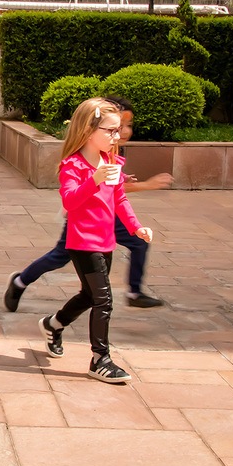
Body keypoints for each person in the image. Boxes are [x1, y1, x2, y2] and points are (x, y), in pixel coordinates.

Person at [4, 96, 171, 311]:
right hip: (84, 218)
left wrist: (122, 178)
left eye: (127, 126)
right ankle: (20, 282)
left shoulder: (111, 146)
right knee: (59, 257)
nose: (123, 132)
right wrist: (147, 185)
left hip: (108, 216)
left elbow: (114, 189)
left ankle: (134, 292)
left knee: (139, 242)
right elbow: (92, 183)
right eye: (118, 127)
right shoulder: (85, 153)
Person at [37, 97, 153, 383]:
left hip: (105, 241)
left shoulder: (111, 161)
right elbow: (70, 201)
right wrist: (95, 179)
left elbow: (120, 199)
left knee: (89, 296)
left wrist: (137, 227)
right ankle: (100, 359)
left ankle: (54, 324)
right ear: (89, 131)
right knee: (104, 300)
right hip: (82, 242)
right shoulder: (73, 166)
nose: (117, 137)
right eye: (111, 131)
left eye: (118, 130)